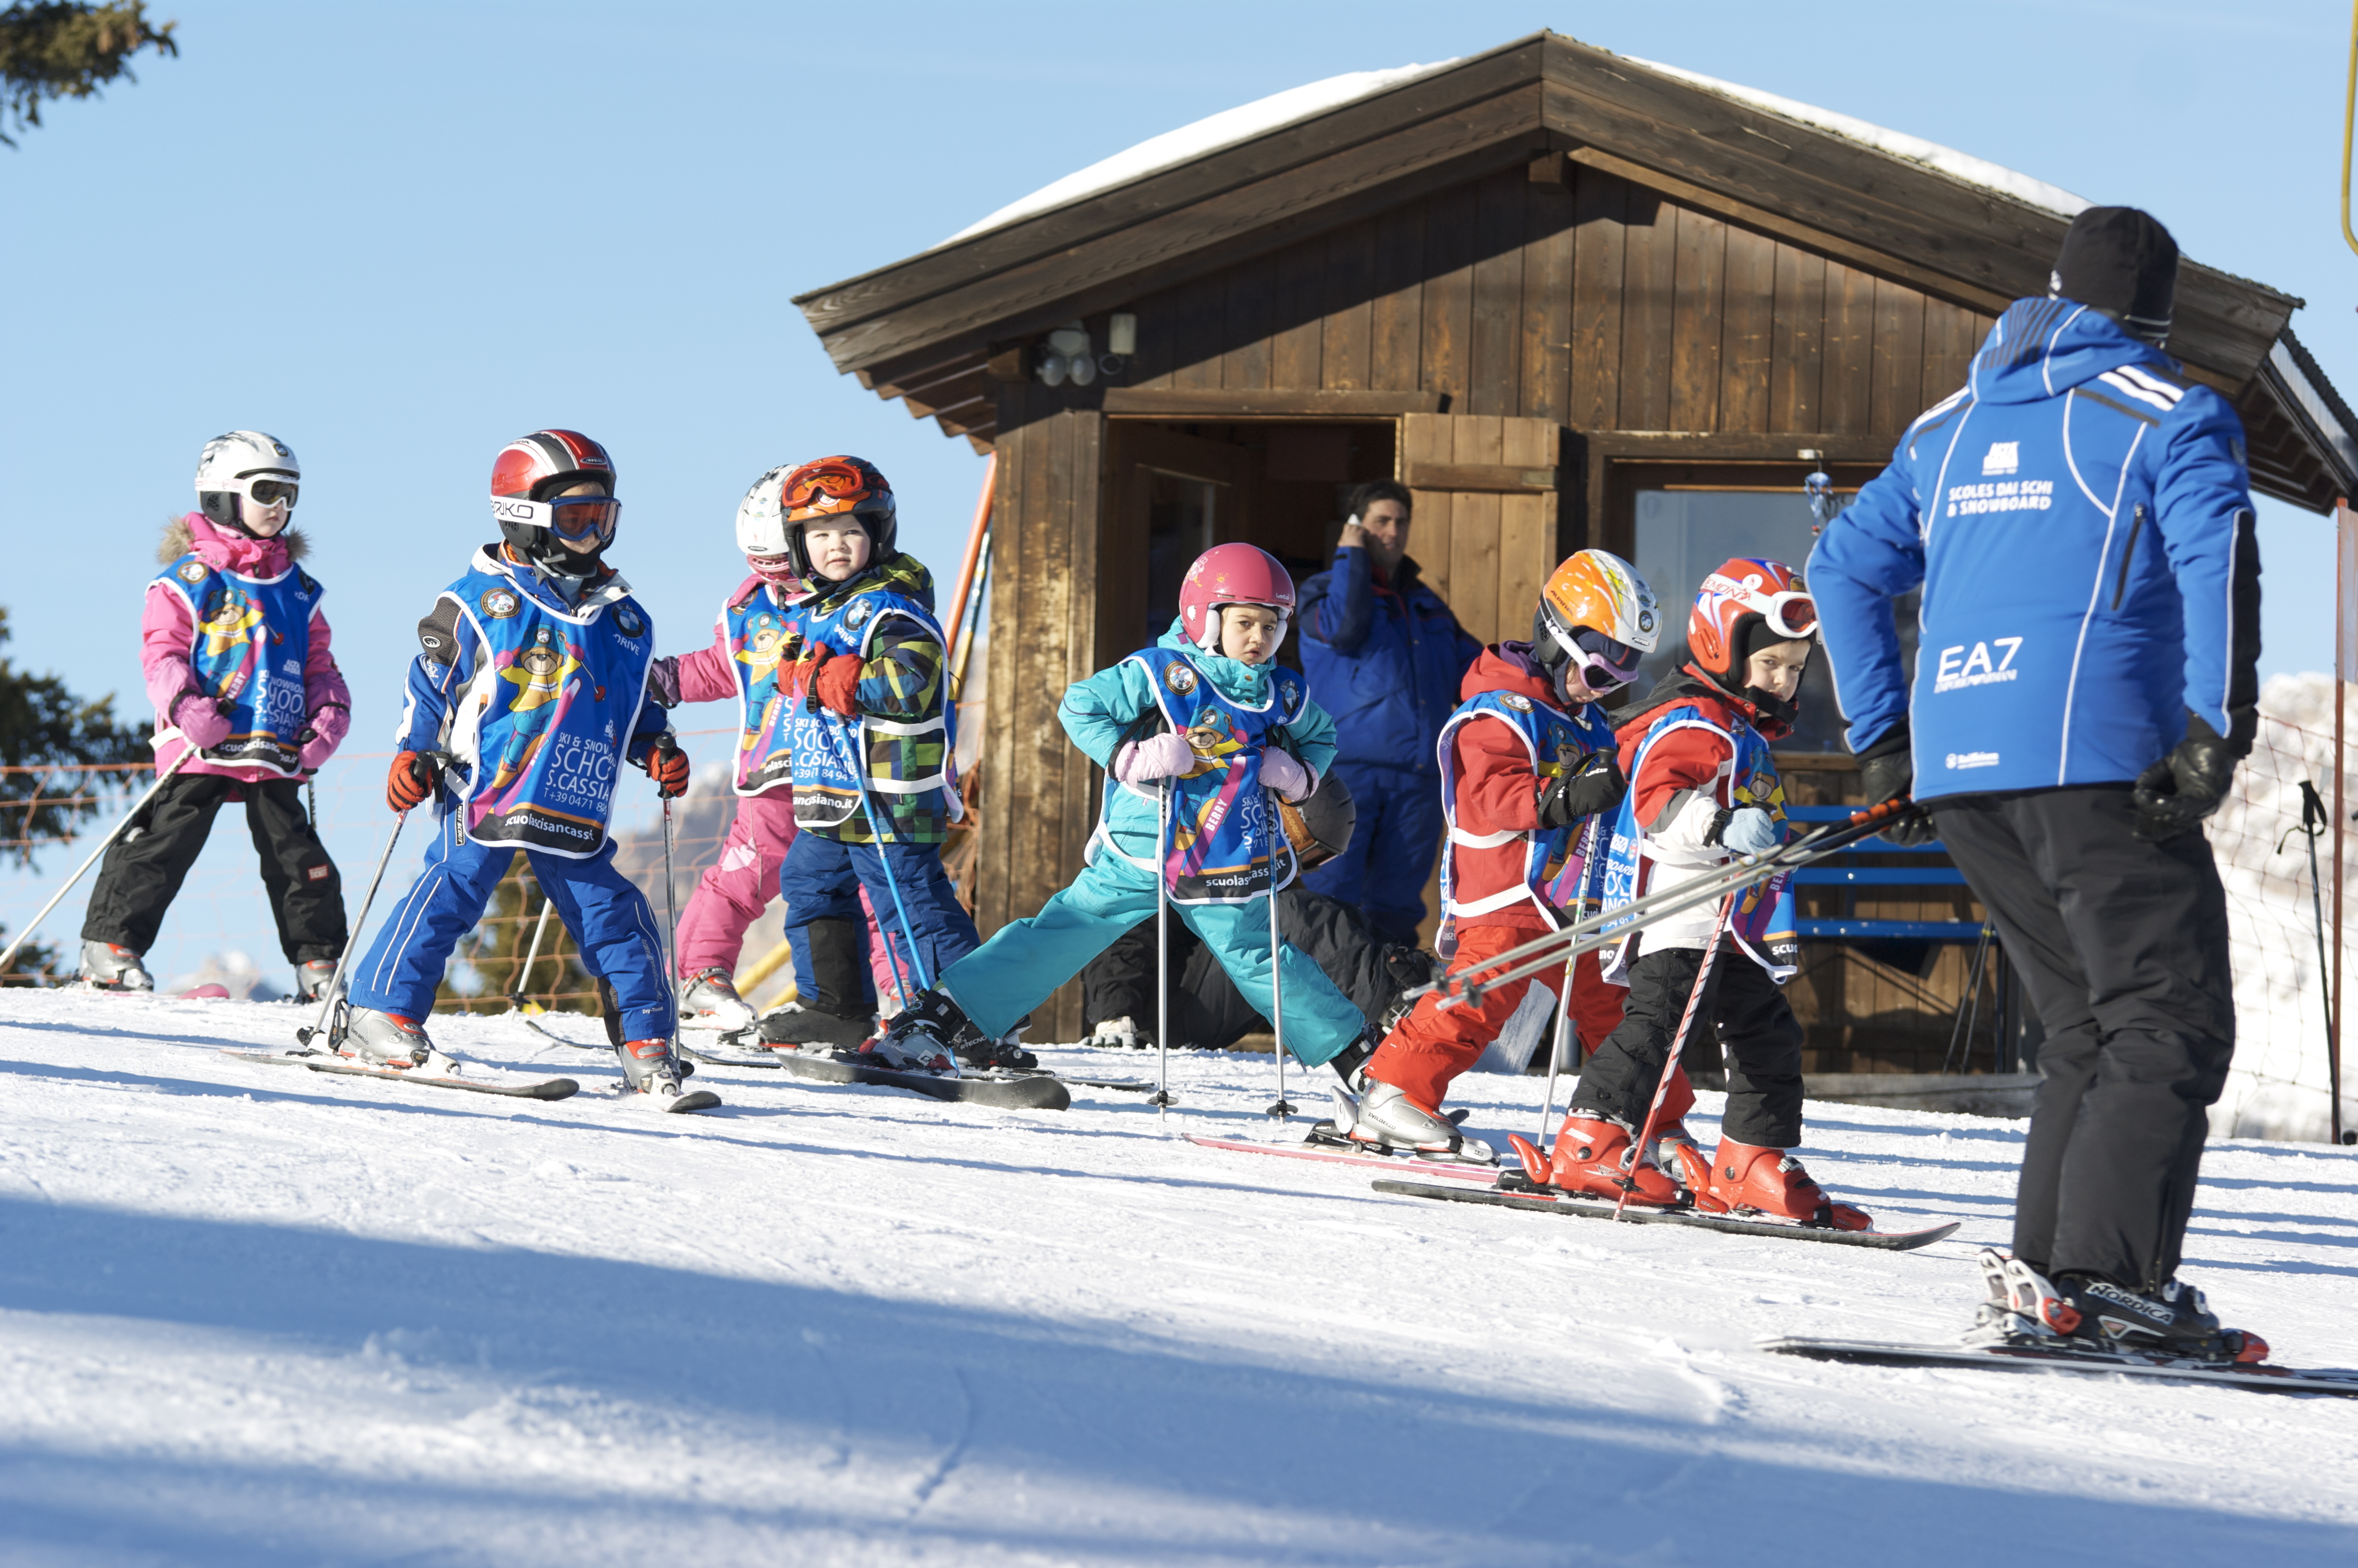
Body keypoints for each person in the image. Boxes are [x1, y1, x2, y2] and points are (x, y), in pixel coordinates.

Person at [1811, 206, 2263, 1356]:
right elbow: (2218, 556)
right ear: (2161, 315)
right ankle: (2109, 1281)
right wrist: (2216, 728)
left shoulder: (1948, 429)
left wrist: (1886, 733)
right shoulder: (2168, 412)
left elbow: (1842, 564)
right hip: (2099, 754)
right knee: (2165, 1021)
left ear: (2054, 292)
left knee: (2081, 1029)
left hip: (1964, 767)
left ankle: (2054, 1282)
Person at [879, 544, 1374, 1087]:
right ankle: (945, 1016)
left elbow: (1321, 736)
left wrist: (1298, 774)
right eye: (1245, 623)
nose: (1259, 638)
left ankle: (1359, 1057)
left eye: (1271, 626)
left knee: (1260, 956)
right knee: (1067, 928)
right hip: (1145, 845)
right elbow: (1080, 705)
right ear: (1204, 617)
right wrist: (1131, 757)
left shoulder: (1283, 691)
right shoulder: (1162, 672)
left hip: (1223, 858)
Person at [334, 429, 707, 1110]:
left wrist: (656, 746)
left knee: (616, 916)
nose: (592, 532)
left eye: (603, 516)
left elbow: (633, 705)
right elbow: (432, 684)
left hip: (575, 793)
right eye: (574, 517)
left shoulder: (624, 620)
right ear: (523, 516)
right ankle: (378, 1013)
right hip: (487, 785)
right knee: (452, 890)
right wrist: (410, 751)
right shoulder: (481, 602)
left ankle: (649, 1044)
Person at [1549, 558, 1872, 1229]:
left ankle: (1750, 1157)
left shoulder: (1736, 722)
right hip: (1678, 918)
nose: (1784, 680)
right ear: (1724, 646)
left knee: (1768, 1035)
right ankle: (1592, 1140)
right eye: (1771, 665)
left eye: (1795, 668)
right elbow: (1657, 804)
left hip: (1727, 927)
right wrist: (1724, 824)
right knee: (1657, 1031)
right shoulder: (1696, 721)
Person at [1349, 550, 1666, 1162]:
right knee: (1480, 995)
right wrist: (1580, 788)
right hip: (1507, 897)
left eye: (1618, 682)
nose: (1602, 692)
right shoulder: (1497, 714)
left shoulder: (1587, 722)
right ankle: (1393, 1093)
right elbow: (1500, 799)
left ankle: (1650, 1120)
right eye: (1598, 675)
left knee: (1616, 1007)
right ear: (1557, 638)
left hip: (1572, 903)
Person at [80, 431, 352, 999]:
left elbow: (320, 665)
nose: (280, 507)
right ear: (224, 495)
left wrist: (327, 717)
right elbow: (162, 653)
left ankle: (320, 965)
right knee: (165, 840)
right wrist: (185, 706)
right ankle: (112, 948)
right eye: (267, 491)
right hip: (202, 742)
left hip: (276, 743)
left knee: (297, 855)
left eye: (289, 495)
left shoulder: (298, 591)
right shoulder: (191, 581)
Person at [756, 456, 993, 1062]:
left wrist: (844, 677)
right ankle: (836, 1006)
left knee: (910, 902)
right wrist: (803, 670)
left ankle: (965, 1020)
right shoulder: (821, 609)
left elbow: (913, 680)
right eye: (820, 534)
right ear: (798, 545)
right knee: (810, 881)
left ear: (878, 535)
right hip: (836, 793)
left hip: (887, 791)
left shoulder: (890, 607)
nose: (837, 545)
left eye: (852, 531)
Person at [644, 464, 892, 1041]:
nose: (785, 586)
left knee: (872, 888)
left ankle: (903, 999)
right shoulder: (752, 607)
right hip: (775, 768)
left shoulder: (856, 598)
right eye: (769, 572)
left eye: (789, 572)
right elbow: (723, 666)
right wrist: (660, 680)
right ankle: (700, 976)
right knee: (747, 871)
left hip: (848, 766)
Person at [1079, 773, 1439, 1051]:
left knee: (1326, 914)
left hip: (1193, 992)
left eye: (1317, 861)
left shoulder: (1245, 866)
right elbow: (1127, 926)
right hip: (1148, 1011)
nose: (1301, 867)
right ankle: (1396, 1012)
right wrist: (1115, 1015)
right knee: (1294, 914)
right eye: (1307, 852)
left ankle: (1418, 989)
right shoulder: (1195, 842)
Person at [1297, 479, 1481, 946]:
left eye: (1401, 522)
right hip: (1344, 777)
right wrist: (1351, 556)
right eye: (1381, 521)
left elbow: (1478, 674)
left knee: (1396, 910)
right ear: (1357, 527)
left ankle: (1388, 1014)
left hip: (1419, 780)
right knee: (1331, 900)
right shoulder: (1320, 594)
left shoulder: (1427, 605)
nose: (1393, 531)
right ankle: (1320, 1015)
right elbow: (1344, 628)